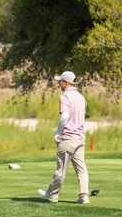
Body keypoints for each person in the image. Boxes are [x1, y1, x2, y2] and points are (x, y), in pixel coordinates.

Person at [38, 71, 90, 204]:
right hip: (80, 138)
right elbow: (82, 117)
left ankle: (52, 194)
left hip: (67, 138)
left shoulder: (64, 96)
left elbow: (65, 116)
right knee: (81, 168)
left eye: (60, 81)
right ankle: (84, 196)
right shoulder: (81, 97)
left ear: (65, 83)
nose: (59, 84)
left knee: (61, 169)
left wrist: (57, 132)